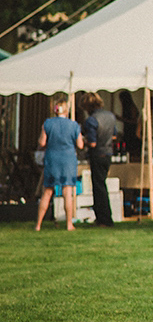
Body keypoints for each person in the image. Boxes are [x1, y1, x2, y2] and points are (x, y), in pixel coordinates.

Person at [34, 95, 84, 231]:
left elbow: (42, 142)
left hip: (52, 159)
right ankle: (69, 224)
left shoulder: (47, 123)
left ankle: (38, 225)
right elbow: (80, 145)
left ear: (55, 110)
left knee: (47, 192)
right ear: (66, 110)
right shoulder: (74, 125)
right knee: (67, 192)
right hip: (68, 160)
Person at [82, 92, 119, 226]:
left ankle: (104, 219)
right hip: (108, 153)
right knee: (101, 185)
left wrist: (83, 140)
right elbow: (114, 136)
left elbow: (92, 143)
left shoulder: (91, 120)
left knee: (98, 187)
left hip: (97, 154)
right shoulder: (110, 116)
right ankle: (104, 217)